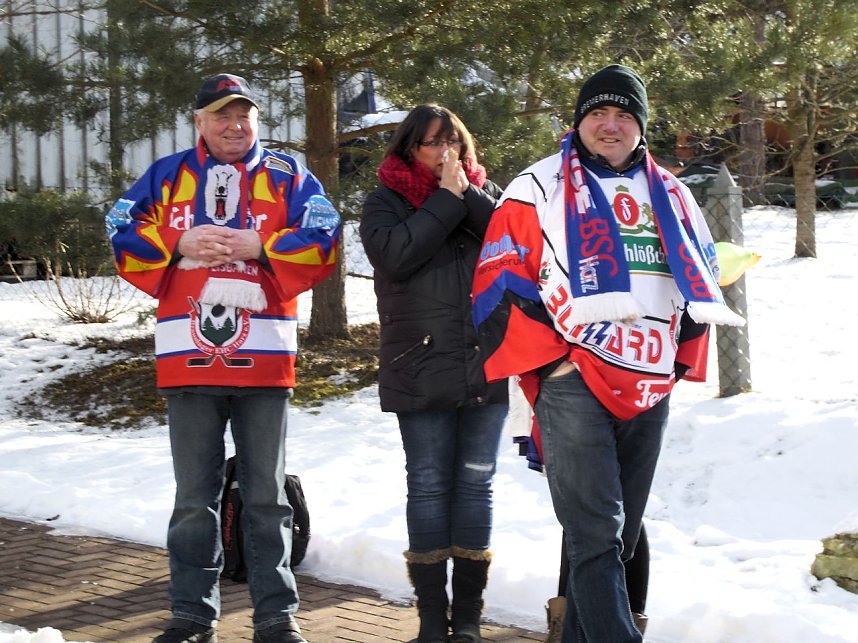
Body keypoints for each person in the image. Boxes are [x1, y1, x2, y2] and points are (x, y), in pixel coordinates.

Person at [472, 64, 744, 642]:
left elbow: (700, 281)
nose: (611, 125)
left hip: (649, 380)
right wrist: (551, 364)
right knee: (595, 533)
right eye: (598, 112)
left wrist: (674, 364)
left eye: (625, 114)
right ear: (579, 121)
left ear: (641, 125)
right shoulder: (537, 186)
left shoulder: (673, 194)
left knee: (617, 536)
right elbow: (498, 282)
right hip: (573, 379)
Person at [105, 73, 341, 643]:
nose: (234, 126)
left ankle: (276, 617)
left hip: (266, 359)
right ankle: (191, 615)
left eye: (244, 115)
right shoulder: (165, 176)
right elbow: (118, 225)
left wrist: (265, 245)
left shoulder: (288, 176)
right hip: (186, 356)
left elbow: (327, 232)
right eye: (221, 115)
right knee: (194, 499)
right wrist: (175, 244)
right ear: (200, 122)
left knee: (267, 497)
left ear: (256, 120)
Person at [359, 104, 509, 643]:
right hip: (420, 366)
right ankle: (430, 620)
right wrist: (447, 199)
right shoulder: (385, 201)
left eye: (455, 142)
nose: (447, 152)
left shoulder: (485, 197)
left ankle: (467, 618)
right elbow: (396, 257)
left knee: (476, 485)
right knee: (427, 485)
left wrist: (466, 195)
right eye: (433, 143)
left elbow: (512, 244)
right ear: (409, 149)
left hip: (486, 362)